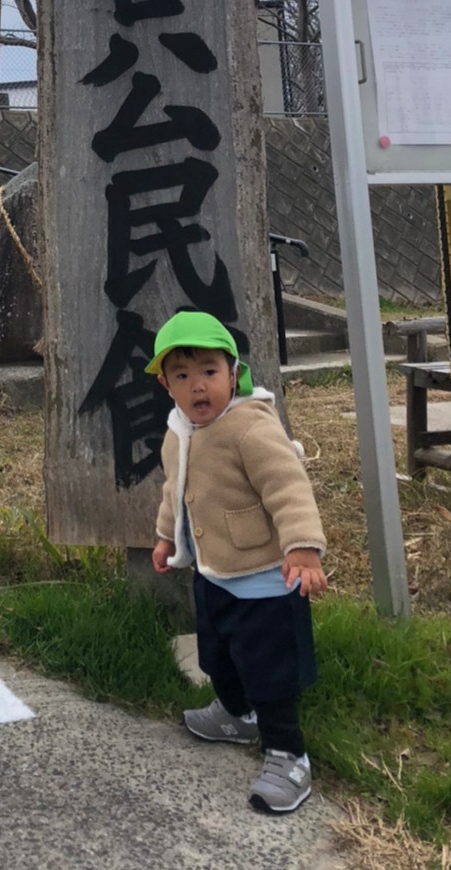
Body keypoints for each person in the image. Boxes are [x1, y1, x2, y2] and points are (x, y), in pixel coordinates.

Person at [147, 310, 327, 815]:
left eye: (209, 371)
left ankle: (288, 756)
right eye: (182, 375)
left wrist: (302, 547)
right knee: (219, 657)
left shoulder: (249, 426)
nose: (197, 386)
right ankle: (235, 713)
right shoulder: (178, 431)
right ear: (165, 385)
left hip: (266, 580)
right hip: (214, 574)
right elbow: (174, 491)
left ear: (233, 372)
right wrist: (165, 538)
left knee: (271, 673)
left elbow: (287, 485)